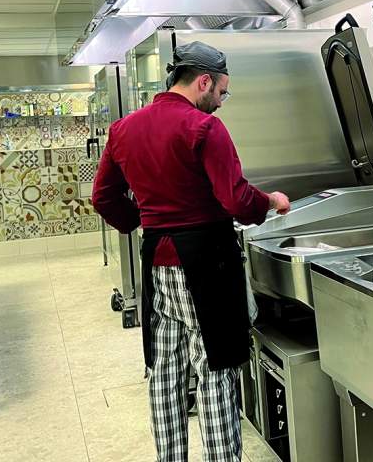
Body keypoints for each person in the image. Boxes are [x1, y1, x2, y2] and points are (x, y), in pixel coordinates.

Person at [92, 41, 291, 462]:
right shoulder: (203, 128)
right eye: (221, 92)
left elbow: (103, 198)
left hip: (156, 266)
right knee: (216, 371)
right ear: (204, 81)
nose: (220, 102)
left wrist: (140, 220)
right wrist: (270, 201)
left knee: (165, 374)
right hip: (206, 267)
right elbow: (236, 200)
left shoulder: (124, 129)